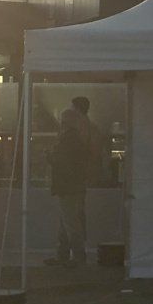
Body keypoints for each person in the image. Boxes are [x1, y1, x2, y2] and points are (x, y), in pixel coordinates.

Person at [47, 99, 93, 267]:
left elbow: (63, 162)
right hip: (75, 185)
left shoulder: (68, 139)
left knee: (70, 222)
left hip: (68, 186)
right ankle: (64, 254)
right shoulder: (78, 137)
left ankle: (77, 256)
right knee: (67, 221)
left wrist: (50, 157)